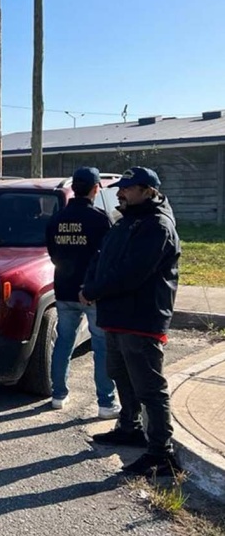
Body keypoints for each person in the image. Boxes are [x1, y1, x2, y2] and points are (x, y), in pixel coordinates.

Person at [81, 167, 182, 477]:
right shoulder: (126, 221)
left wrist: (95, 290)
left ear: (148, 191)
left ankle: (161, 454)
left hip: (141, 319)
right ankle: (129, 427)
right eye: (120, 188)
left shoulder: (157, 226)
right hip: (117, 316)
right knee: (119, 374)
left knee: (149, 387)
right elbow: (102, 258)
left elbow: (131, 273)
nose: (121, 193)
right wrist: (88, 284)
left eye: (128, 188)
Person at [45, 167, 117, 418]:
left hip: (64, 289)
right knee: (101, 347)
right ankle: (106, 403)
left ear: (74, 188)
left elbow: (52, 253)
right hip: (92, 291)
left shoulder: (56, 218)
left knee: (64, 342)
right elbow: (109, 256)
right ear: (95, 188)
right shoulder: (100, 219)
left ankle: (58, 395)